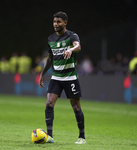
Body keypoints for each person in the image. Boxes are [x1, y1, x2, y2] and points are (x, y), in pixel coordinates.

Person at [39, 11, 86, 144]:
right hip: (56, 77)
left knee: (76, 107)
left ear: (65, 22)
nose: (56, 24)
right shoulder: (51, 39)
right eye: (54, 22)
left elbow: (78, 46)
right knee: (49, 103)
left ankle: (82, 137)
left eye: (59, 22)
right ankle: (49, 136)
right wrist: (42, 74)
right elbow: (50, 58)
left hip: (70, 77)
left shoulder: (72, 36)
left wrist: (71, 49)